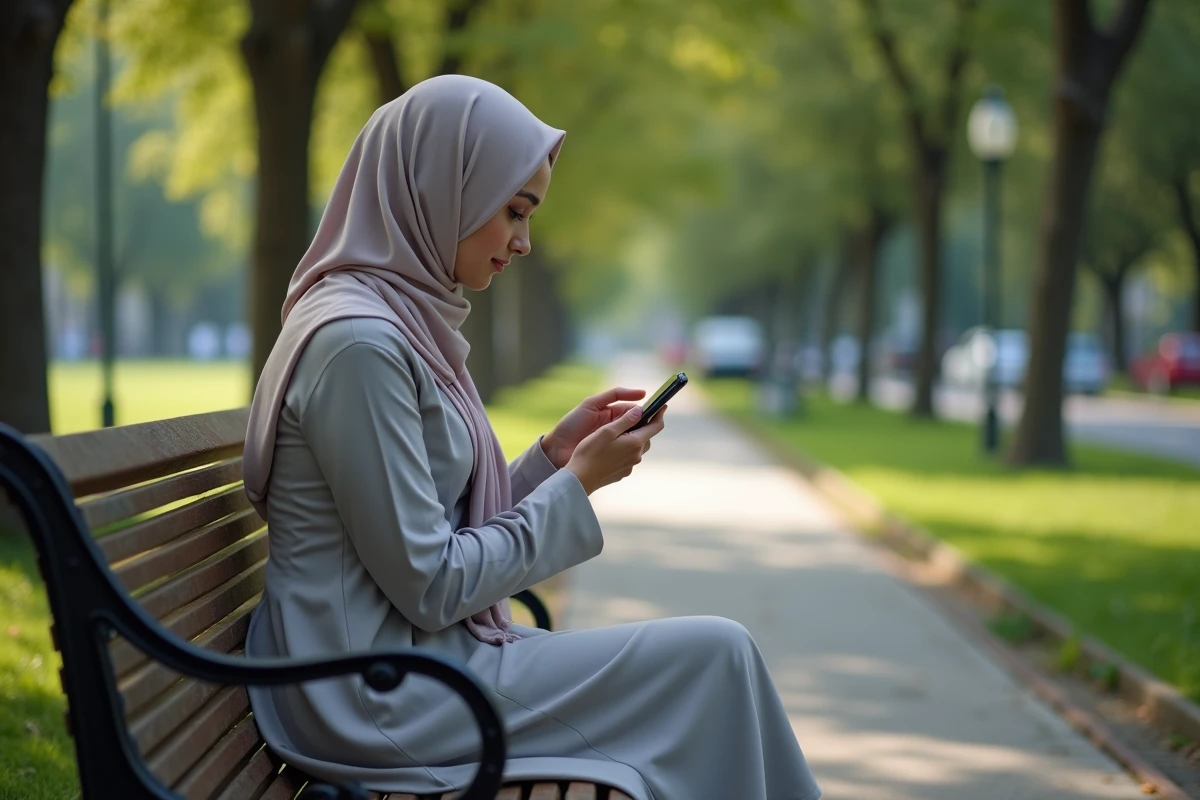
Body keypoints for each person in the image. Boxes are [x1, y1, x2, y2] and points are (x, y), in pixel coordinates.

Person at [241, 74, 821, 800]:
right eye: (513, 212)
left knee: (715, 662)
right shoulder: (359, 345)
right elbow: (432, 582)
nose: (523, 242)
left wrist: (552, 461)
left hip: (415, 665)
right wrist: (579, 485)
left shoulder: (391, 322)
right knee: (716, 660)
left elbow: (427, 530)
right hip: (378, 695)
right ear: (438, 187)